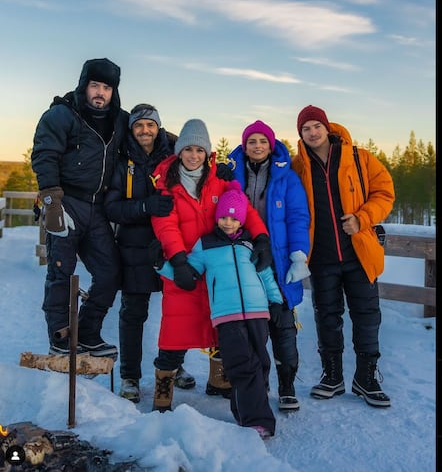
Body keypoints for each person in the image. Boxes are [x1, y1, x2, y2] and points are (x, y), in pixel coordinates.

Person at [149, 119, 271, 412]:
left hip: (217, 268)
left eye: (199, 150)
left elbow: (246, 210)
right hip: (185, 268)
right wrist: (178, 260)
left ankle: (219, 379)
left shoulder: (220, 182)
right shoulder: (167, 184)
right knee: (174, 331)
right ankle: (164, 388)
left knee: (221, 327)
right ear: (179, 152)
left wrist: (262, 238)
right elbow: (166, 225)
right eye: (188, 149)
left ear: (207, 153)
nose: (193, 156)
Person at [153, 180, 279, 438]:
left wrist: (275, 301)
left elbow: (264, 274)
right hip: (227, 314)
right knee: (242, 364)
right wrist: (161, 265)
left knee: (261, 362)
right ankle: (255, 419)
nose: (228, 223)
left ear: (242, 221)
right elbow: (189, 274)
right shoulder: (206, 244)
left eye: (233, 219)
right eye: (223, 217)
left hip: (257, 311)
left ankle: (253, 404)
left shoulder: (249, 244)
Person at [292, 105, 395, 407]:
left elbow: (384, 193)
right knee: (327, 317)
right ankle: (332, 376)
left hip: (359, 254)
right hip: (321, 257)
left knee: (367, 317)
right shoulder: (299, 167)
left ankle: (366, 378)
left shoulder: (359, 158)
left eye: (316, 126)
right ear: (301, 134)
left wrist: (362, 218)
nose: (312, 132)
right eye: (306, 128)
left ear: (327, 127)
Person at [32, 58, 128, 357]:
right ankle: (60, 337)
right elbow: (45, 154)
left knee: (110, 272)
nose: (100, 93)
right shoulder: (62, 115)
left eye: (106, 88)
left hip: (97, 208)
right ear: (84, 85)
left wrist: (191, 152)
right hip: (66, 202)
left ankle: (87, 332)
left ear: (114, 92)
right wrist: (51, 202)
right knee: (61, 272)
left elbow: (150, 136)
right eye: (95, 85)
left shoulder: (120, 120)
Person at [104, 104, 195, 403]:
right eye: (139, 125)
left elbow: (199, 176)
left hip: (173, 244)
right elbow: (111, 206)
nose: (145, 130)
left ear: (159, 128)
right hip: (134, 245)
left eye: (150, 125)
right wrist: (144, 207)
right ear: (132, 128)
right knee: (133, 313)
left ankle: (173, 367)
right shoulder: (122, 161)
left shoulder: (174, 156)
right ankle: (130, 376)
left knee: (177, 311)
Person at [227, 120, 310, 412]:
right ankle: (256, 384)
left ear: (271, 145)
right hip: (243, 259)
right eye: (252, 142)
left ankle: (287, 385)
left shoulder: (287, 178)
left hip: (279, 259)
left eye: (263, 141)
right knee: (250, 325)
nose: (258, 146)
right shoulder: (231, 174)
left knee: (283, 325)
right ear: (245, 145)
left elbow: (298, 216)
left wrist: (299, 255)